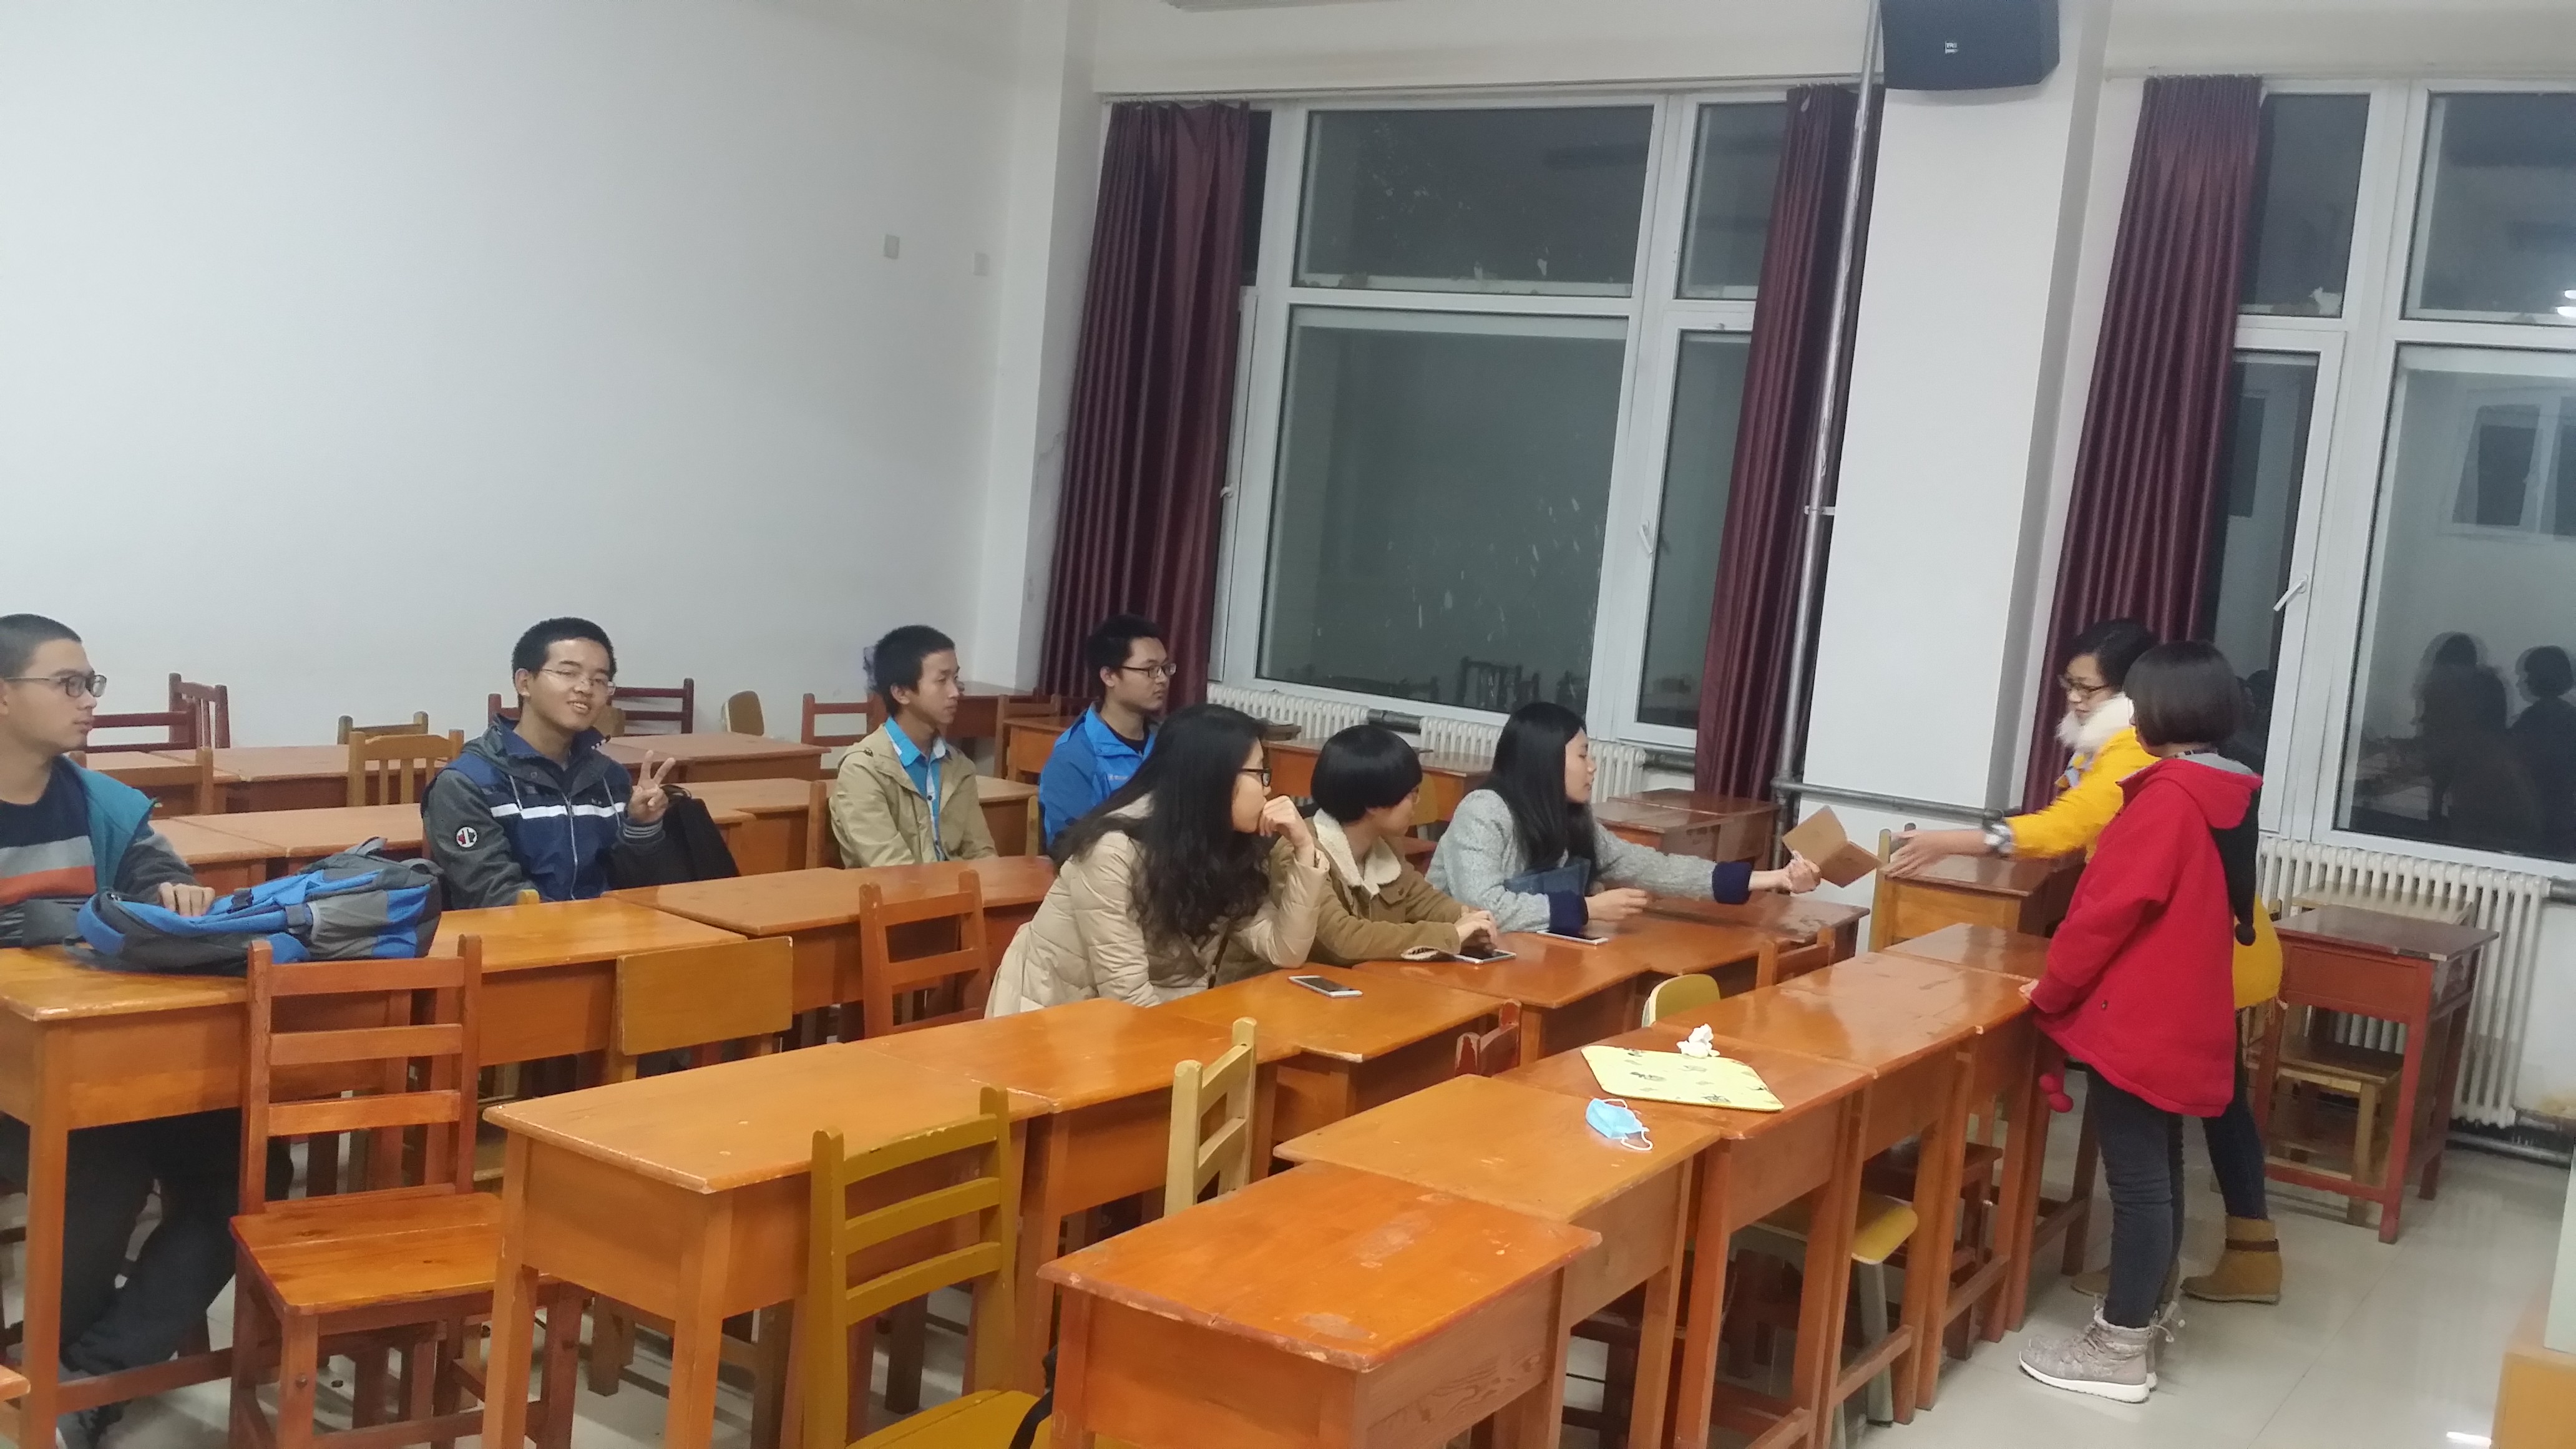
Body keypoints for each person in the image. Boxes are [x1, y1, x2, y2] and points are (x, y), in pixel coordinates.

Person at [0, 614, 243, 1445]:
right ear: (4, 697)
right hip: (12, 1074)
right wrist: (73, 918)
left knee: (247, 1167)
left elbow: (155, 881)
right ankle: (59, 1376)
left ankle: (83, 1376)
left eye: (91, 683)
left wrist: (174, 895)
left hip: (105, 1060)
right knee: (102, 1158)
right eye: (67, 684)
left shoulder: (100, 802)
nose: (89, 701)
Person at [2017, 643, 2261, 1404]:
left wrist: (2050, 989)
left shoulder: (2166, 799)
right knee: (2160, 1172)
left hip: (2141, 1018)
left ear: (2160, 711)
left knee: (2139, 1183)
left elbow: (2104, 913)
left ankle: (2119, 1345)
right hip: (2184, 1009)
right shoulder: (2222, 789)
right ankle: (2143, 1319)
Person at [988, 703, 1324, 1013]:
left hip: (1154, 1017)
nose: (1267, 788)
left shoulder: (1221, 843)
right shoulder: (1113, 851)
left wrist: (1305, 848)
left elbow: (1285, 950)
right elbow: (1127, 998)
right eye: (1260, 773)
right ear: (1214, 778)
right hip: (1055, 1016)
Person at [1428, 701, 1818, 935]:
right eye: (1583, 755)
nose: (1593, 767)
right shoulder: (1484, 812)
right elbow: (1481, 907)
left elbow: (1651, 866)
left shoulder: (1571, 815)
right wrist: (1586, 909)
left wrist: (1774, 879)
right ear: (1545, 760)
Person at [424, 618, 685, 909]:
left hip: (609, 930)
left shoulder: (609, 777)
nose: (585, 688)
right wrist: (584, 926)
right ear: (524, 683)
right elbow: (495, 895)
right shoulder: (467, 784)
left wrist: (641, 828)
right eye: (568, 673)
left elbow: (638, 889)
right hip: (521, 935)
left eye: (600, 680)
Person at [1891, 619, 2158, 873]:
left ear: (2127, 691)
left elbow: (2070, 823)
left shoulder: (2135, 747)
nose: (2074, 697)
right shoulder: (2101, 742)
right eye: (2069, 684)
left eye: (2087, 689)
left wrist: (1950, 843)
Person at [1279, 724, 1496, 973]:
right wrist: (1451, 934)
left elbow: (1423, 900)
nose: (1417, 801)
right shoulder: (1299, 850)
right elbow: (1343, 940)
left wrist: (1467, 917)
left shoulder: (1385, 844)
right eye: (1412, 793)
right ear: (1373, 802)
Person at [830, 625, 998, 867]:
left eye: (956, 679)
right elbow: (890, 867)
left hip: (955, 888)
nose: (955, 692)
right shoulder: (863, 769)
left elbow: (981, 853)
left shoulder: (958, 766)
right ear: (901, 693)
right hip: (893, 890)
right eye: (942, 680)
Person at [1038, 614, 1168, 849]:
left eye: (1165, 668)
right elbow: (1068, 847)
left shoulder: (1169, 742)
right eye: (1150, 669)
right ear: (1109, 676)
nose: (1162, 679)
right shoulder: (1074, 756)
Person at [2512, 646, 2576, 856]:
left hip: (2536, 812)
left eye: (2528, 674)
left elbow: (2515, 761)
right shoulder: (2570, 717)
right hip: (2564, 815)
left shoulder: (2533, 719)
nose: (2522, 682)